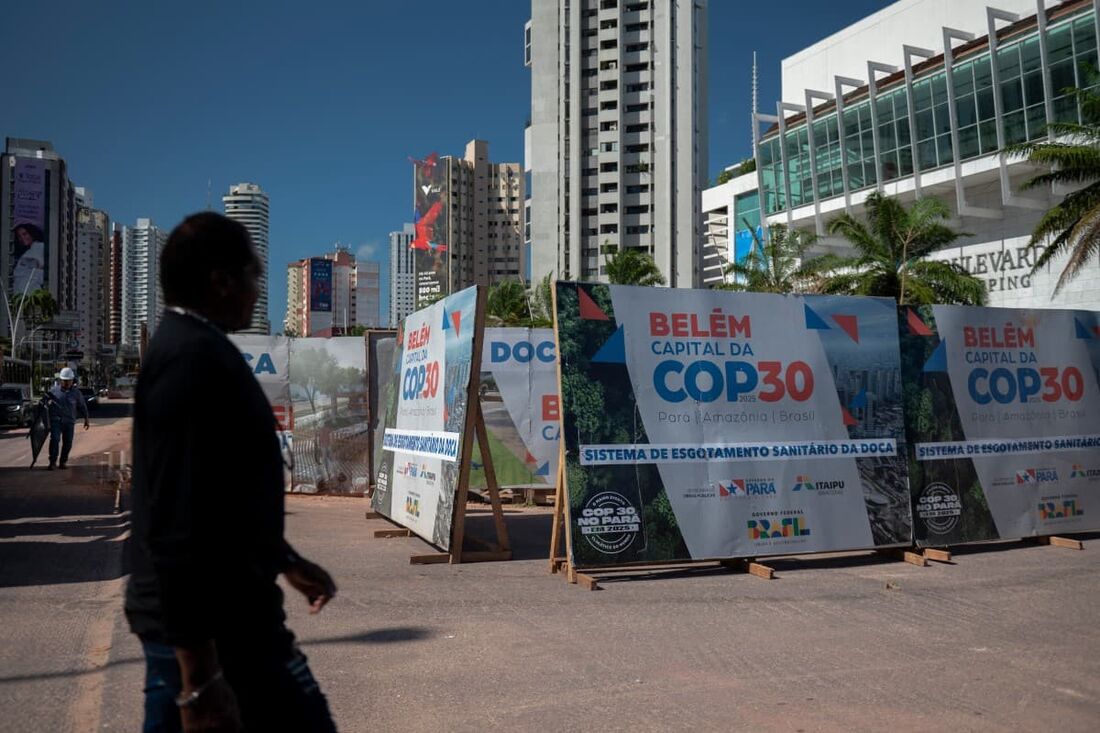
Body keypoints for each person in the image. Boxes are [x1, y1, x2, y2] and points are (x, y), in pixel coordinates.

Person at [126, 212, 339, 733]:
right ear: (222, 280)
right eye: (253, 275)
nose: (255, 289)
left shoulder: (198, 348)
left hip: (228, 618)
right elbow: (175, 521)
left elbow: (223, 496)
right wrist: (197, 677)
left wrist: (283, 559)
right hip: (217, 630)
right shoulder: (188, 360)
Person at [44, 367, 89, 470]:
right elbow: (43, 404)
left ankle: (63, 461)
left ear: (72, 380)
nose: (67, 383)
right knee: (55, 439)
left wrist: (86, 419)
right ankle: (52, 462)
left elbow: (82, 406)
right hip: (56, 421)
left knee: (68, 442)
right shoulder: (53, 391)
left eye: (69, 380)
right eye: (65, 380)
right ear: (60, 380)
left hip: (69, 422)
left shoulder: (76, 393)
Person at [12, 223, 46, 293]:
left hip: (31, 292)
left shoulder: (40, 247)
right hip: (21, 293)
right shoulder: (26, 251)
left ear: (31, 233)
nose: (22, 238)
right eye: (19, 236)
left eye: (24, 234)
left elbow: (43, 270)